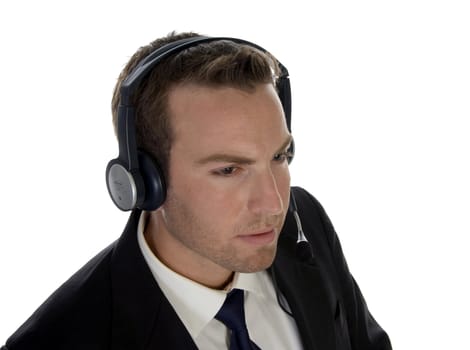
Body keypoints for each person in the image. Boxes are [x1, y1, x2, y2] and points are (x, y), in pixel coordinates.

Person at [2, 31, 392, 350]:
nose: (273, 203)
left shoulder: (304, 221)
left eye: (279, 156)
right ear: (143, 181)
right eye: (228, 169)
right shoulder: (56, 342)